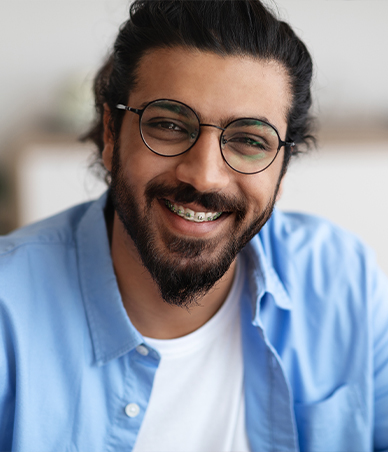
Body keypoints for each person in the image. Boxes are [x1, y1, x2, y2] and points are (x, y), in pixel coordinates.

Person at [1, 0, 387, 451]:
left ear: (283, 169)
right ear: (111, 135)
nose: (203, 175)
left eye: (248, 140)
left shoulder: (343, 278)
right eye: (168, 124)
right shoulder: (8, 307)